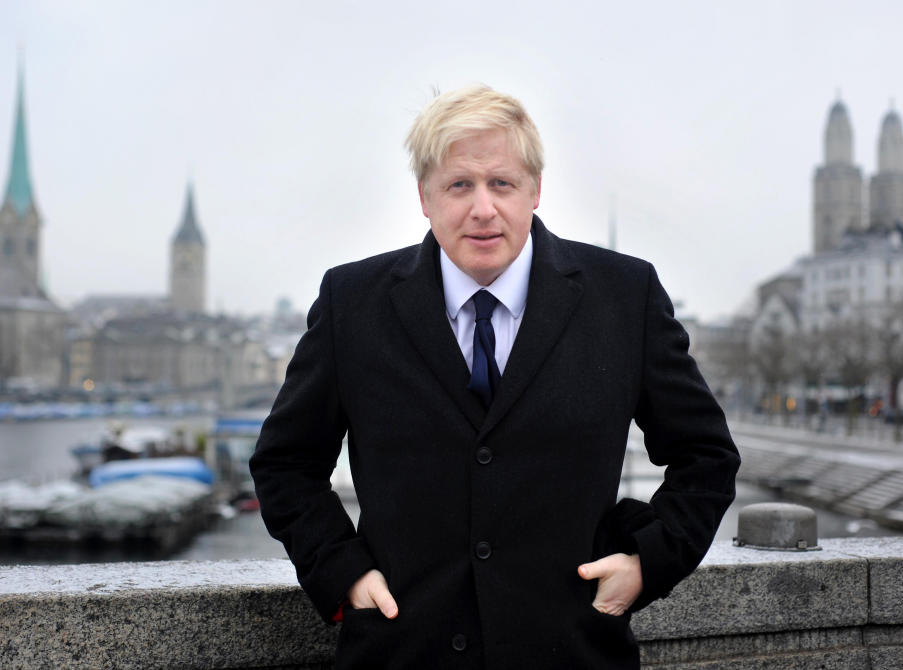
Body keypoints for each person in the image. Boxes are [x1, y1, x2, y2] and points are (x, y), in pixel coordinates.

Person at [250, 85, 740, 669]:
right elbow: (285, 464)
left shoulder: (624, 298)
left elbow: (706, 456)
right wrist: (341, 572)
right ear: (424, 198)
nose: (483, 208)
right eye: (460, 185)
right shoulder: (352, 303)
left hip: (572, 653)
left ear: (535, 191)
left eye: (501, 183)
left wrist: (646, 562)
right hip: (402, 653)